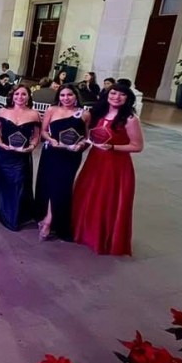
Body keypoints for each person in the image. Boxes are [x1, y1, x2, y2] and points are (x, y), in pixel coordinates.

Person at [71, 83, 144, 255]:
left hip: (115, 166)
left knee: (107, 201)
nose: (116, 97)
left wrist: (112, 147)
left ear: (127, 98)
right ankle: (84, 233)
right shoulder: (98, 113)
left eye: (121, 94)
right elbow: (90, 136)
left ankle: (102, 239)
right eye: (113, 93)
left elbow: (137, 146)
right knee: (87, 195)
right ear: (107, 95)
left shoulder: (130, 119)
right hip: (95, 161)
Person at [35, 85, 88, 241]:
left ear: (76, 95)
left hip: (70, 156)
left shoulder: (84, 114)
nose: (66, 98)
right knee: (49, 186)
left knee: (61, 188)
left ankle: (49, 221)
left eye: (69, 95)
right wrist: (51, 140)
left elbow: (87, 137)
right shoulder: (52, 110)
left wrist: (81, 145)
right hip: (52, 153)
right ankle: (47, 218)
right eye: (62, 95)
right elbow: (43, 131)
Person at [0, 85, 40, 231]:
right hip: (4, 153)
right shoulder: (3, 111)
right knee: (3, 181)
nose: (20, 97)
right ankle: (0, 210)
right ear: (12, 96)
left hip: (22, 154)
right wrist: (1, 144)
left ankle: (13, 217)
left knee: (19, 182)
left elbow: (36, 136)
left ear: (28, 97)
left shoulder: (34, 114)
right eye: (17, 94)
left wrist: (31, 147)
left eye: (23, 94)